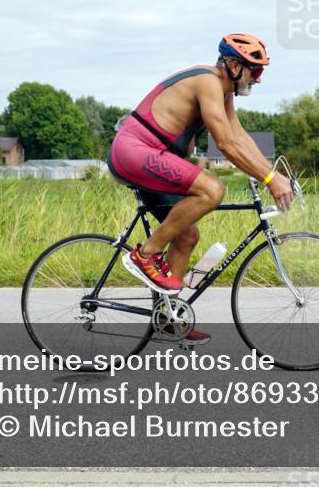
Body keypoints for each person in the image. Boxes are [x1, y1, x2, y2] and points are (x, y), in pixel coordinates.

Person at [106, 33, 295, 344]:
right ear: (234, 66)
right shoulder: (208, 82)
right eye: (255, 71)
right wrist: (270, 180)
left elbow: (240, 136)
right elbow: (225, 142)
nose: (258, 80)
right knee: (211, 190)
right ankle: (146, 255)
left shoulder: (224, 92)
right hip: (134, 151)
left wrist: (271, 173)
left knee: (187, 234)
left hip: (152, 157)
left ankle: (168, 319)